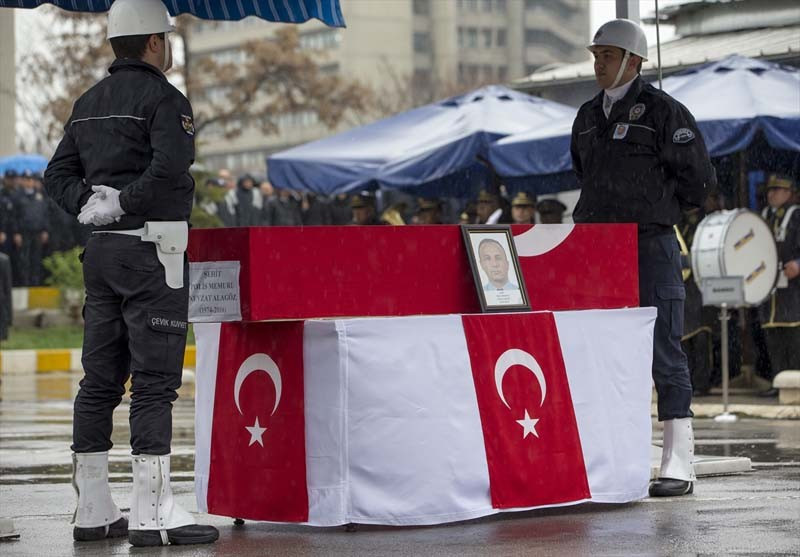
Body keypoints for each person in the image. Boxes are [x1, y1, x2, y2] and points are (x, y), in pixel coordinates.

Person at [43, 0, 218, 546]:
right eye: (166, 38)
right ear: (153, 43)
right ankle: (153, 512)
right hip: (153, 252)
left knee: (98, 381)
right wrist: (122, 203)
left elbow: (57, 173)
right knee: (154, 381)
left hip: (101, 255)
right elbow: (169, 170)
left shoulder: (88, 102)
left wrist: (89, 205)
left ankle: (92, 510)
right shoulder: (165, 100)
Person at [571, 19, 716, 497]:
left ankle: (679, 461)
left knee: (663, 351)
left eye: (608, 56)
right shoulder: (588, 116)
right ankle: (610, 456)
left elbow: (698, 180)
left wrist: (655, 210)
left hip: (650, 244)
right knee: (601, 350)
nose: (599, 64)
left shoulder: (664, 112)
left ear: (634, 61)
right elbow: (583, 171)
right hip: (596, 251)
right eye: (596, 56)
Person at [757, 174, 800, 396]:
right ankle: (778, 381)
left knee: (793, 336)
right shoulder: (763, 217)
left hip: (793, 290)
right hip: (769, 287)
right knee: (773, 337)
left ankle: (795, 383)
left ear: (788, 193)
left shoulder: (796, 216)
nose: (771, 194)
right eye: (770, 190)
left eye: (777, 190)